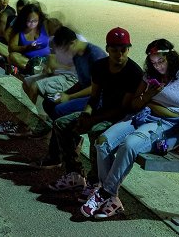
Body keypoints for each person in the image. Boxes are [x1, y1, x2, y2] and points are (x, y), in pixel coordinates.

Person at [80, 39, 179, 219]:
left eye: (161, 61)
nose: (157, 66)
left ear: (171, 57)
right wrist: (149, 95)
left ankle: (105, 193)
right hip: (142, 117)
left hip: (167, 127)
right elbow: (134, 104)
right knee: (102, 142)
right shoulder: (150, 75)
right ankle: (112, 198)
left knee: (130, 144)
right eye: (153, 62)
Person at [46, 28, 143, 200]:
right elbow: (94, 96)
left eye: (123, 49)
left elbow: (123, 108)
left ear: (129, 48)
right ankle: (74, 173)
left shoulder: (133, 72)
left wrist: (93, 119)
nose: (119, 54)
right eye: (114, 49)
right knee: (62, 124)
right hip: (100, 111)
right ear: (107, 48)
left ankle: (95, 182)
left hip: (122, 119)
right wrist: (86, 113)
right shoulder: (100, 67)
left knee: (96, 130)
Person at [41, 27, 107, 122]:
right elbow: (82, 82)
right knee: (48, 103)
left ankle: (63, 133)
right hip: (86, 93)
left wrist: (70, 97)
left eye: (65, 49)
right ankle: (58, 132)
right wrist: (65, 93)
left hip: (98, 98)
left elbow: (97, 87)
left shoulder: (95, 55)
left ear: (73, 43)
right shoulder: (77, 54)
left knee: (59, 110)